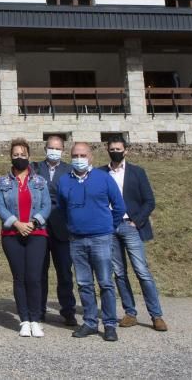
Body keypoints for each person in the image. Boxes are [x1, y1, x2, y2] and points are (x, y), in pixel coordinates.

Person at [55, 141, 125, 342]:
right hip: (76, 240)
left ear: (91, 157)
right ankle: (90, 322)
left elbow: (119, 206)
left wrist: (108, 227)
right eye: (75, 155)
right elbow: (62, 207)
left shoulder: (104, 179)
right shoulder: (64, 181)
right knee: (84, 283)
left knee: (105, 283)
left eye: (83, 155)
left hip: (101, 238)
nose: (79, 159)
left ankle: (109, 324)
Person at [100, 135, 168, 332]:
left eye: (118, 149)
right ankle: (130, 313)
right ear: (107, 150)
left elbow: (149, 201)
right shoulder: (101, 173)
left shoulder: (137, 172)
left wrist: (136, 221)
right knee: (119, 273)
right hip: (110, 228)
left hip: (131, 227)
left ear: (126, 150)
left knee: (142, 271)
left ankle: (156, 315)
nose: (115, 152)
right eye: (112, 149)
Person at [0, 139, 51, 338]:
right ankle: (24, 320)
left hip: (37, 234)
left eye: (23, 154)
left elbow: (47, 205)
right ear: (11, 156)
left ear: (29, 156)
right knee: (19, 278)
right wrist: (16, 223)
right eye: (16, 154)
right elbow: (0, 206)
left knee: (34, 278)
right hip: (12, 234)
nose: (19, 157)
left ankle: (36, 319)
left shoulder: (40, 181)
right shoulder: (3, 182)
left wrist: (34, 223)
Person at [31, 135, 77, 326]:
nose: (54, 151)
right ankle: (39, 311)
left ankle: (68, 311)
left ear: (63, 150)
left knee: (65, 273)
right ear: (45, 149)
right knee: (40, 272)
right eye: (51, 148)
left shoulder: (69, 170)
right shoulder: (35, 168)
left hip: (62, 228)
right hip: (40, 227)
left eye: (58, 148)